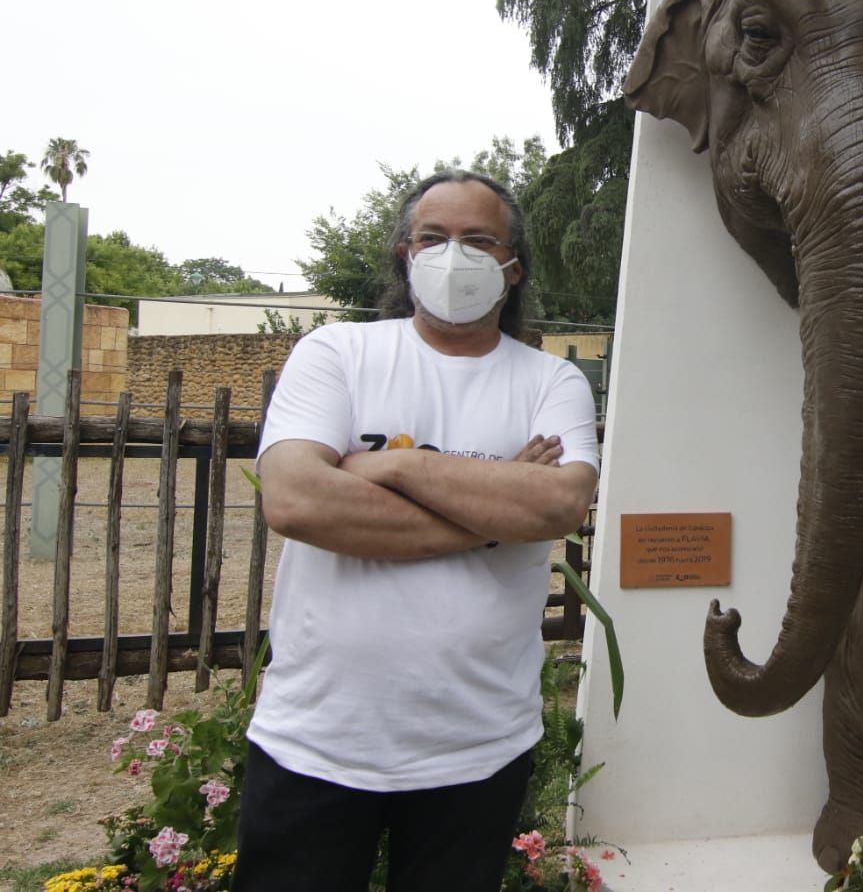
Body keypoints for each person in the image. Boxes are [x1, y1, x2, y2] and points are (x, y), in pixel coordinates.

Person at [235, 169, 600, 892]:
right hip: (317, 739)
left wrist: (385, 468)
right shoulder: (337, 353)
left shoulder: (549, 383)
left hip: (477, 745)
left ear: (512, 265)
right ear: (406, 254)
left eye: (478, 239)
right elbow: (299, 502)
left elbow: (558, 506)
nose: (453, 255)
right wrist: (493, 507)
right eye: (434, 238)